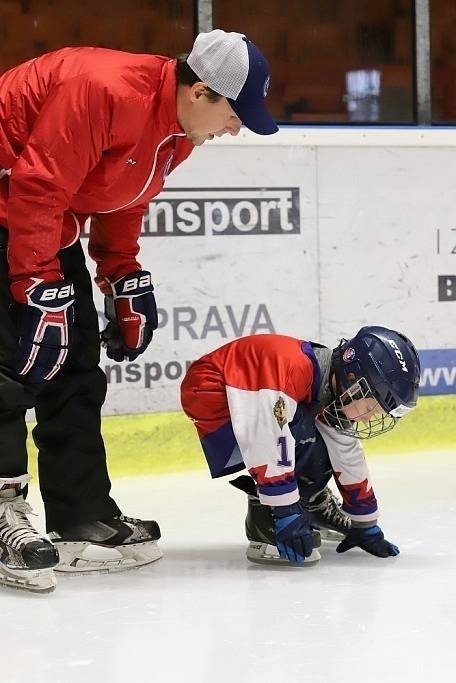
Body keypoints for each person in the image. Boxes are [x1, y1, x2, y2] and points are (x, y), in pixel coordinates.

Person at [0, 29, 278, 592]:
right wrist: (35, 284)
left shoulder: (176, 131)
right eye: (234, 113)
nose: (235, 128)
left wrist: (121, 276)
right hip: (15, 206)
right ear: (200, 91)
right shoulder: (101, 90)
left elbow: (124, 197)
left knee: (76, 364)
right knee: (12, 364)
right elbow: (37, 184)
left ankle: (81, 517)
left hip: (41, 223)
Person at [181, 326, 421, 567]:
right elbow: (267, 437)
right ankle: (267, 524)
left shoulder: (330, 380)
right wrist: (286, 511)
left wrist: (364, 522)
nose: (369, 418)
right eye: (371, 407)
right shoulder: (290, 370)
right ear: (352, 379)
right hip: (212, 393)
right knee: (300, 437)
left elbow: (345, 450)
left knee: (323, 440)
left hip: (249, 391)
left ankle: (307, 504)